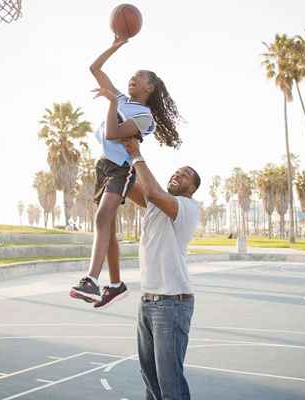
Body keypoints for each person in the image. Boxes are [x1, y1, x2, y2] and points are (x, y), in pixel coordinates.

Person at [70, 35, 182, 308]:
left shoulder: (144, 117)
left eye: (138, 77)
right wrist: (117, 45)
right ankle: (116, 284)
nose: (132, 79)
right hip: (103, 164)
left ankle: (91, 280)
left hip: (122, 168)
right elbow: (94, 69)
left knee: (102, 218)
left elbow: (113, 132)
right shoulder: (121, 98)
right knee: (105, 225)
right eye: (131, 76)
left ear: (150, 87)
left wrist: (110, 104)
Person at [123, 137, 200, 400]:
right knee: (152, 382)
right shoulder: (155, 205)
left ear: (192, 189)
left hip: (172, 305)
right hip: (147, 302)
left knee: (170, 385)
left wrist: (136, 154)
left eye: (186, 175)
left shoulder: (187, 207)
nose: (179, 174)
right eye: (177, 171)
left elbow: (153, 191)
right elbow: (132, 187)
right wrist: (115, 159)